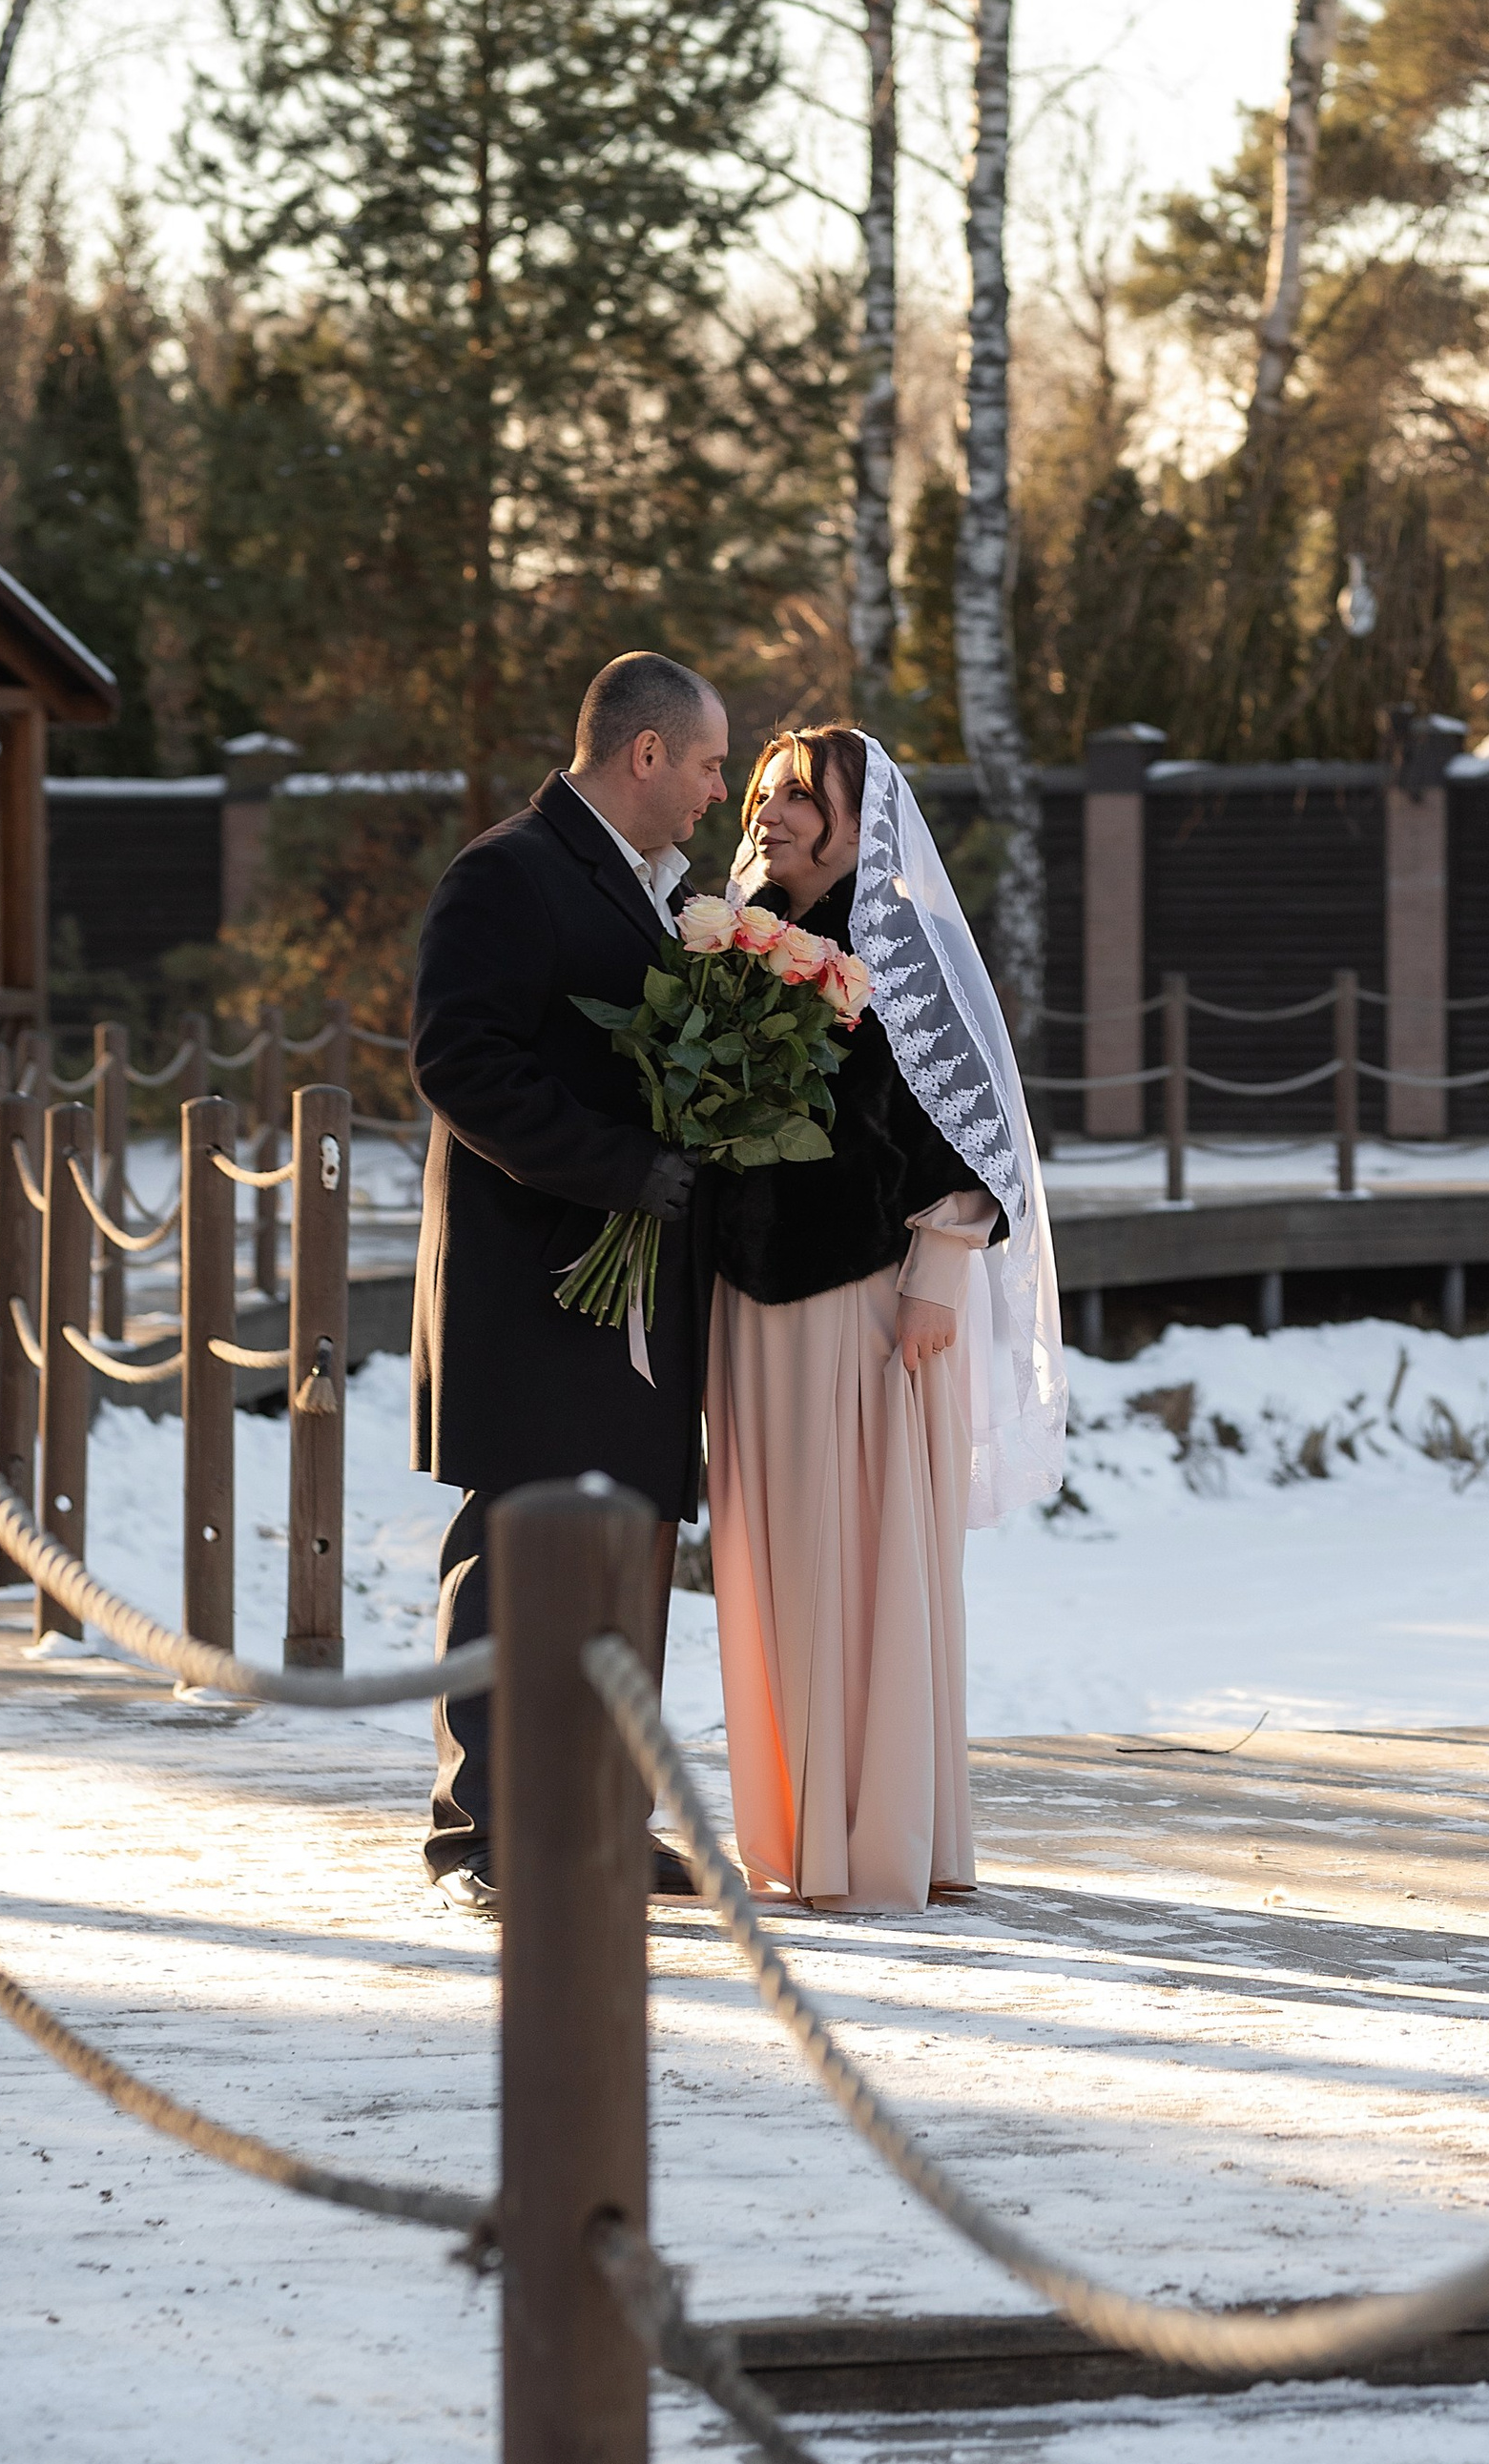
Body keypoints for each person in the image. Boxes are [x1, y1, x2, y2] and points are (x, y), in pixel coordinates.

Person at [705, 724, 1066, 1910]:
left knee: (867, 1565)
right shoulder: (734, 938)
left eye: (800, 796)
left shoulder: (898, 946)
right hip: (749, 1307)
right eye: (763, 792)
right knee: (773, 1565)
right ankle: (798, 1834)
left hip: (868, 1305)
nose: (769, 812)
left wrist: (937, 1277)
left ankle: (881, 1839)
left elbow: (976, 1136)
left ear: (860, 824)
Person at [409, 651, 731, 1911]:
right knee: (512, 1551)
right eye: (707, 763)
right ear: (645, 753)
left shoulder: (669, 892)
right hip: (537, 1280)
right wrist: (624, 1170)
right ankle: (479, 1835)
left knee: (625, 1550)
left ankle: (601, 1816)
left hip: (640, 1291)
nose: (717, 790)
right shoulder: (508, 871)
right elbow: (460, 1061)